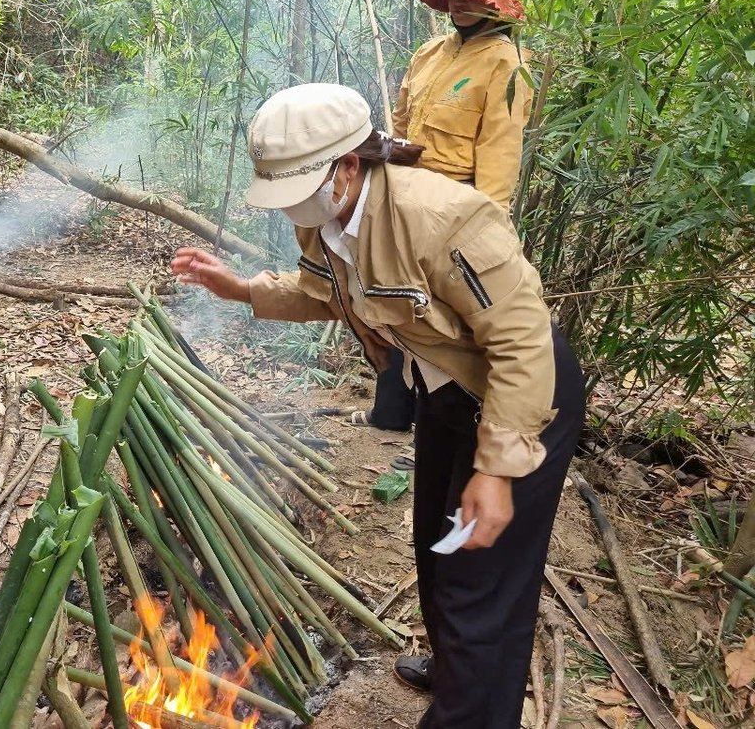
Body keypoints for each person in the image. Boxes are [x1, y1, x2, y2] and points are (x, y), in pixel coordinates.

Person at [171, 84, 583, 729]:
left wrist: (499, 470)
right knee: (436, 546)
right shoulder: (326, 218)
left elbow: (521, 340)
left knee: (483, 580)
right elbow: (331, 292)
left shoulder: (444, 219)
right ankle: (455, 670)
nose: (292, 211)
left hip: (522, 397)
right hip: (445, 388)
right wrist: (242, 289)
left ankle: (471, 711)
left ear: (350, 165)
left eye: (300, 188)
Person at [353, 0, 534, 434]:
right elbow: (405, 125)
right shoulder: (430, 52)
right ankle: (390, 412)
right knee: (393, 302)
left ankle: (450, 422)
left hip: (454, 212)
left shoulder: (507, 66)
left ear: (495, 4)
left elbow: (500, 156)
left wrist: (489, 233)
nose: (457, 5)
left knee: (444, 320)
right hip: (404, 198)